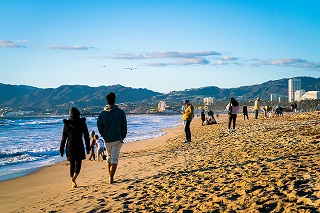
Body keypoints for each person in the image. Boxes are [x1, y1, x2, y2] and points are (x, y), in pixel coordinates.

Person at [97, 92, 127, 184]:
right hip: (117, 138)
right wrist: (122, 136)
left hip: (107, 139)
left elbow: (99, 126)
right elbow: (124, 126)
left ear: (107, 101)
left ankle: (109, 176)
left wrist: (104, 135)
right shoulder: (121, 112)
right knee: (114, 159)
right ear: (115, 100)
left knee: (109, 158)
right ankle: (111, 177)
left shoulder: (102, 114)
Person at [60, 107, 90, 188]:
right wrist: (88, 148)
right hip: (79, 145)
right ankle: (74, 178)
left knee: (72, 164)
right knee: (78, 164)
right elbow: (86, 136)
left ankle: (72, 180)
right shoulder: (82, 122)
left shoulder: (67, 124)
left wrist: (61, 149)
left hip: (70, 146)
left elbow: (64, 138)